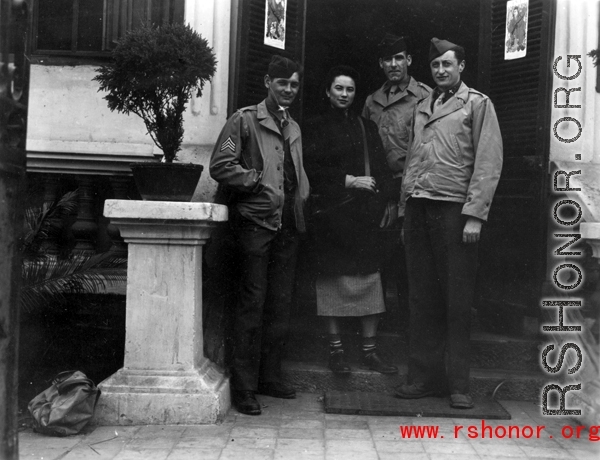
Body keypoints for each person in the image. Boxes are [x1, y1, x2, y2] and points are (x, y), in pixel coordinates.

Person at [395, 38, 503, 409]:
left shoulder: (477, 104)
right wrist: (403, 208)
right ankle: (422, 378)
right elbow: (413, 160)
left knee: (456, 300)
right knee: (421, 297)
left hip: (454, 213)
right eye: (436, 65)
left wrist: (474, 216)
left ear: (461, 67)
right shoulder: (423, 106)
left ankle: (459, 384)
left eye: (447, 64)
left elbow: (488, 163)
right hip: (420, 210)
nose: (441, 70)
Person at [209, 55, 309, 416]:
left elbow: (294, 174)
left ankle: (269, 377)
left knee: (279, 305)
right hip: (254, 225)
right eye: (282, 83)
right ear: (268, 82)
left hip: (286, 226)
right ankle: (244, 387)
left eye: (294, 84)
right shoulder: (245, 120)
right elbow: (221, 165)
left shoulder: (293, 126)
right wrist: (256, 182)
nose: (288, 90)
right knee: (251, 305)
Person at [304, 65, 399, 375]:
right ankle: (336, 351)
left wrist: (385, 201)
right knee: (333, 282)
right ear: (327, 92)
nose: (344, 94)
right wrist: (348, 181)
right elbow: (310, 171)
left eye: (350, 90)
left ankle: (370, 352)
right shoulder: (314, 127)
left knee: (369, 281)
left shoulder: (366, 127)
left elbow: (383, 170)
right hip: (331, 219)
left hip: (364, 218)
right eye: (339, 89)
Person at [362, 34, 431, 310]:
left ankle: (409, 326)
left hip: (412, 187)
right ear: (381, 63)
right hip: (381, 188)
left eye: (399, 58)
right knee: (380, 257)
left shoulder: (425, 96)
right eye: (388, 60)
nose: (394, 64)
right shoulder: (371, 101)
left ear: (409, 60)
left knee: (412, 261)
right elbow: (366, 145)